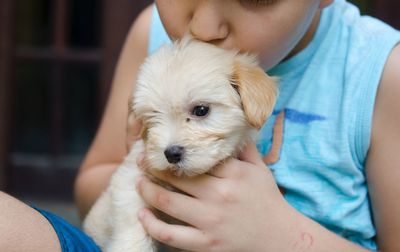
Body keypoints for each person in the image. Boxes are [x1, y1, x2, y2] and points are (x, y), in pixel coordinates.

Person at [1, 0, 398, 251]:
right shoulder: (151, 33)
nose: (205, 26)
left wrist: (281, 236)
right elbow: (94, 183)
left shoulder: (380, 72)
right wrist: (139, 170)